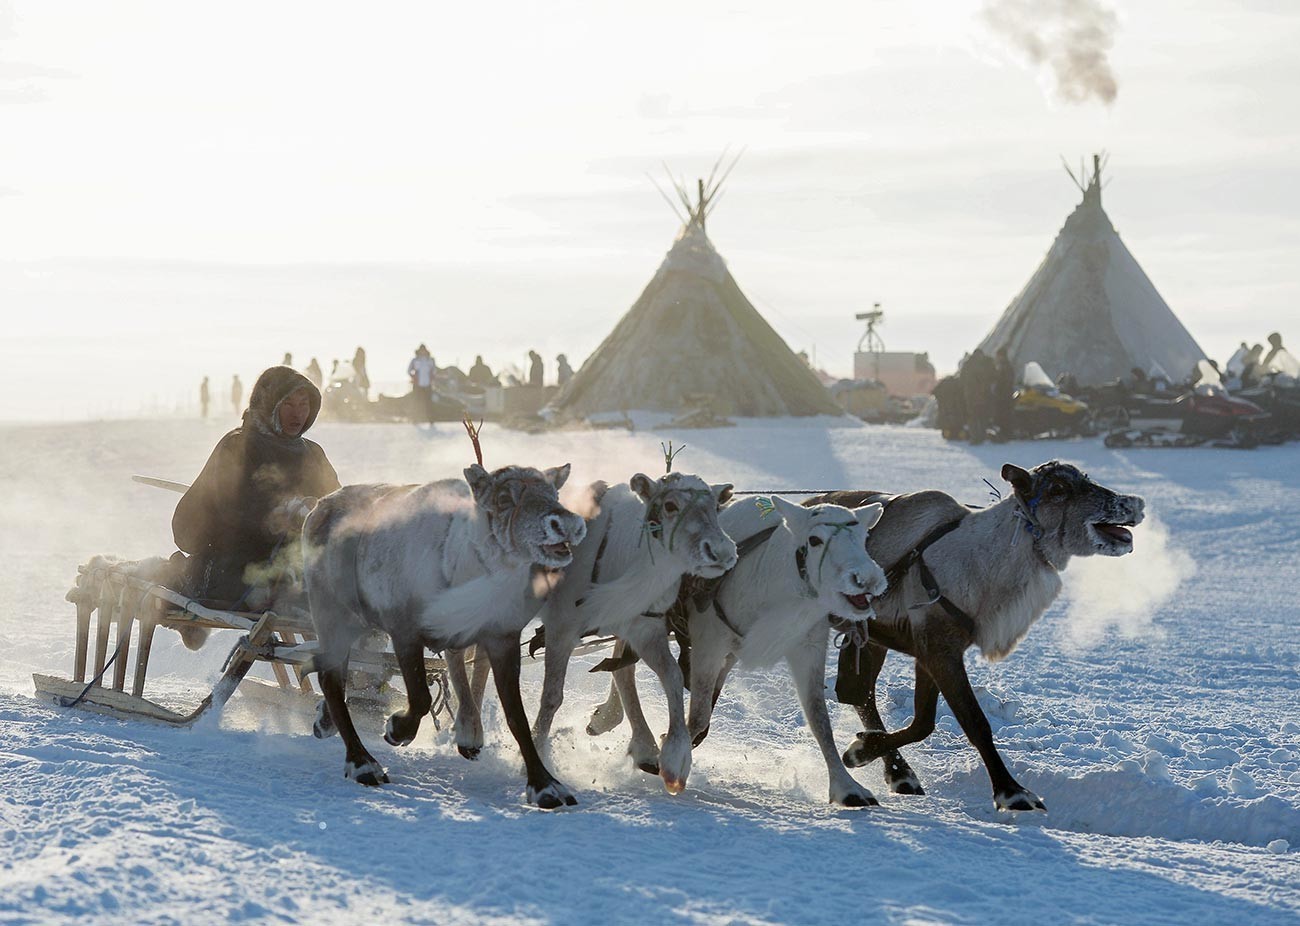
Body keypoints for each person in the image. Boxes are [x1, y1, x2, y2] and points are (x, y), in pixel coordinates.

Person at [171, 365, 340, 622]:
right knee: (258, 589)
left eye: (304, 404)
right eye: (288, 405)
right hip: (232, 556)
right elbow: (233, 507)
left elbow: (333, 500)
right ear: (270, 404)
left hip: (291, 561)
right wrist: (283, 515)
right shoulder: (238, 444)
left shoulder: (312, 453)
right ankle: (180, 573)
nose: (298, 414)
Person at [960, 348, 995, 444]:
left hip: (971, 395)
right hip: (983, 394)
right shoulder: (986, 364)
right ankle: (981, 436)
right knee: (982, 416)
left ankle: (975, 437)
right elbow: (993, 377)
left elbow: (962, 379)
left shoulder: (968, 364)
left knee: (973, 417)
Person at [932, 375, 967, 440]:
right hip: (957, 409)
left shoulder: (943, 385)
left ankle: (949, 434)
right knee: (958, 424)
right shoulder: (958, 384)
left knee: (947, 424)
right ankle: (959, 434)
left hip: (945, 409)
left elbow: (934, 392)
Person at [408, 344, 437, 422]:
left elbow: (434, 370)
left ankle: (431, 419)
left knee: (429, 403)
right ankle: (415, 419)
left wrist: (432, 377)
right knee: (416, 402)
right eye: (421, 350)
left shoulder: (430, 360)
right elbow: (409, 370)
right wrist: (413, 377)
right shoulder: (415, 360)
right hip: (418, 384)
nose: (422, 352)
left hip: (428, 384)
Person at [992, 348, 1015, 439]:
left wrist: (999, 390)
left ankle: (1005, 433)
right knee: (1005, 414)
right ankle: (1006, 432)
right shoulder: (1007, 366)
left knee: (1003, 414)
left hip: (1003, 395)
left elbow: (1002, 381)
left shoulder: (1003, 366)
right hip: (1006, 394)